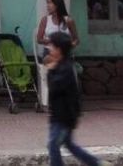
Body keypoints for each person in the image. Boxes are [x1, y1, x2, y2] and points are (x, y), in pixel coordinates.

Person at [44, 32, 103, 166]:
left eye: (51, 46)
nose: (49, 48)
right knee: (69, 145)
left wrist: (50, 71)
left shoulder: (65, 69)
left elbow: (54, 88)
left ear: (59, 50)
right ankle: (97, 163)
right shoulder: (60, 65)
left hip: (64, 117)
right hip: (58, 115)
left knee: (53, 144)